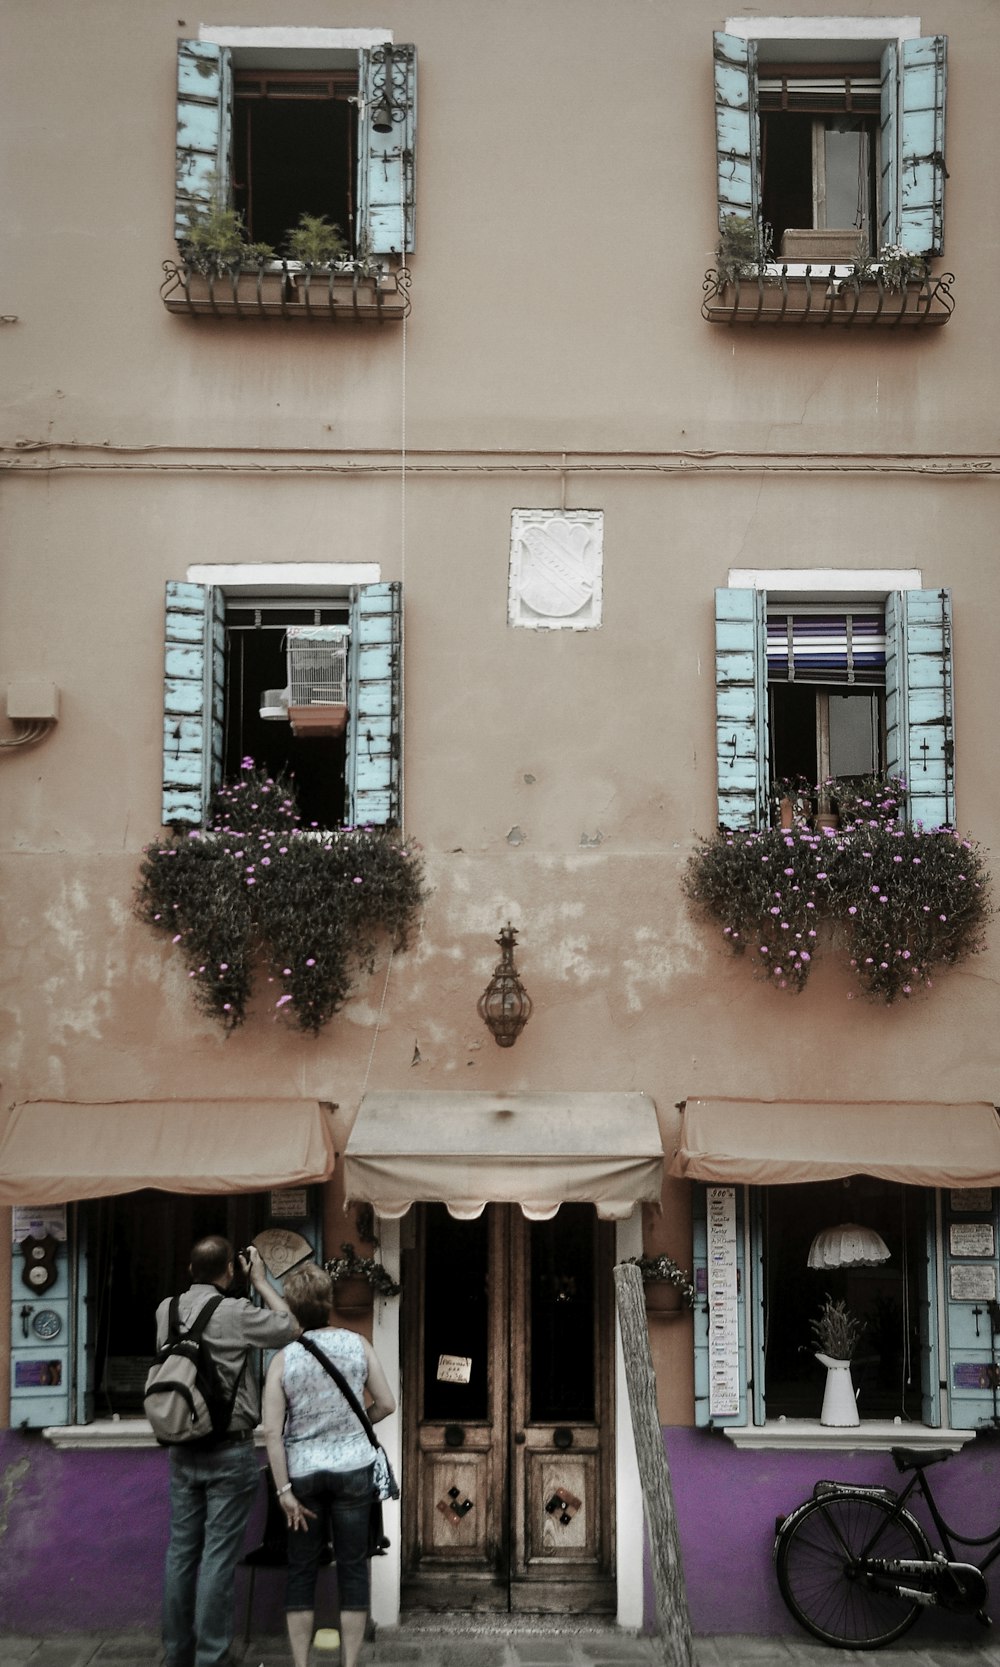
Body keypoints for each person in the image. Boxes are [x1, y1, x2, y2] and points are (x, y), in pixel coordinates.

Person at [158, 1234, 298, 1667]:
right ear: (230, 1270)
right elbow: (291, 1327)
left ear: (189, 1271)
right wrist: (259, 1280)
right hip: (230, 1450)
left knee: (182, 1552)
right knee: (217, 1556)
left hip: (182, 1446)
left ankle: (177, 1653)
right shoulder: (236, 1312)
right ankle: (212, 1658)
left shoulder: (166, 1309)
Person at [262, 1262, 396, 1667]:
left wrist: (283, 1491)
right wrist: (354, 1429)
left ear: (293, 1307)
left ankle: (302, 1665)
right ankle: (349, 1663)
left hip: (301, 1475)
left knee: (301, 1569)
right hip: (353, 1469)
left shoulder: (284, 1359)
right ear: (329, 1301)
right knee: (353, 1568)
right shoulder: (358, 1345)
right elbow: (387, 1404)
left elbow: (272, 1432)